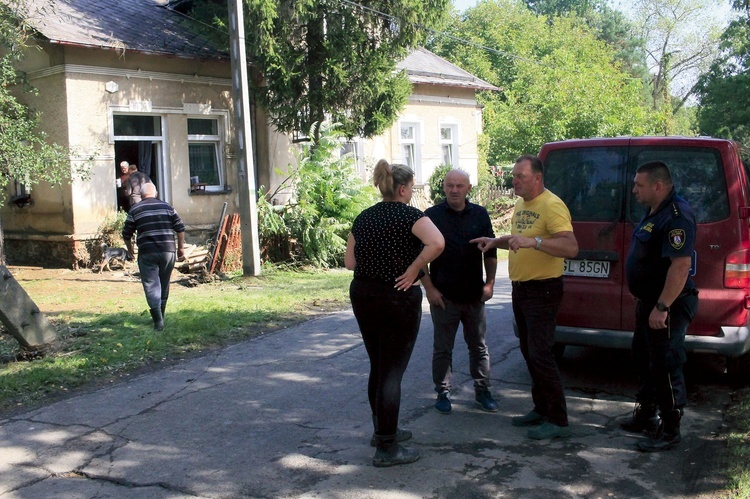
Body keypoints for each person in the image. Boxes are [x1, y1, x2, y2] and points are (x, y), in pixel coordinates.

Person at [345, 159, 445, 468]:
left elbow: (350, 263)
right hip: (397, 297)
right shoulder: (411, 216)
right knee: (392, 372)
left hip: (363, 293)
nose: (412, 193)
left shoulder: (363, 218)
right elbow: (437, 242)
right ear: (402, 189)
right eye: (412, 188)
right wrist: (414, 267)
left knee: (379, 364)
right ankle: (387, 448)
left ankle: (382, 431)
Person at [471, 154, 578, 440]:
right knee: (530, 352)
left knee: (542, 353)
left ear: (538, 178)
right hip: (522, 289)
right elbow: (520, 239)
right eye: (514, 176)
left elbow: (570, 247)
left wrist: (536, 242)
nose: (514, 181)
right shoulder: (521, 203)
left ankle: (558, 420)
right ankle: (541, 408)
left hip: (543, 289)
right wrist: (496, 242)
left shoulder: (552, 205)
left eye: (521, 176)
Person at [620, 161, 698, 452]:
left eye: (639, 185)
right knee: (643, 357)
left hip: (669, 305)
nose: (634, 190)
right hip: (650, 302)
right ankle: (647, 415)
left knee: (666, 364)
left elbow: (680, 267)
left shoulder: (677, 216)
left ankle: (670, 428)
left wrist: (663, 306)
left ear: (658, 186)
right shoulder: (655, 210)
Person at [422, 169, 499, 414]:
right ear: (443, 188)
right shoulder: (431, 216)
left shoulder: (480, 214)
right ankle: (442, 393)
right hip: (443, 297)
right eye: (449, 185)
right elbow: (420, 257)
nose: (454, 190)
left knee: (478, 347)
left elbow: (492, 252)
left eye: (459, 185)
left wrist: (490, 283)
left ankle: (482, 391)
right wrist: (430, 289)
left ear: (468, 188)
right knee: (442, 348)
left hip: (474, 296)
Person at [122, 183, 185, 331]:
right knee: (164, 283)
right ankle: (161, 315)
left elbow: (126, 234)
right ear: (155, 194)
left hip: (147, 252)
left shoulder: (135, 209)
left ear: (142, 195)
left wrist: (130, 250)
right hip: (168, 252)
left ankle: (158, 321)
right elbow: (180, 227)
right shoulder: (168, 207)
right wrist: (181, 248)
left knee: (151, 285)